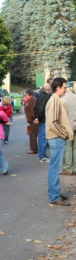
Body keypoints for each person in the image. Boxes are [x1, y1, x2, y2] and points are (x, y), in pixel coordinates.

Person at [46, 77, 73, 206]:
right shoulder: (55, 100)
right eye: (64, 87)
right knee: (55, 169)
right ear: (58, 88)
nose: (65, 89)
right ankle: (54, 196)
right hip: (56, 139)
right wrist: (64, 134)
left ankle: (55, 193)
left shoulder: (56, 100)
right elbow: (52, 122)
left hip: (56, 138)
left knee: (55, 168)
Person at [34, 83, 51, 163]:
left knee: (42, 138)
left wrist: (36, 117)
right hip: (44, 120)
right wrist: (38, 117)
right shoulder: (46, 97)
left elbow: (36, 107)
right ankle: (42, 156)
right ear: (48, 89)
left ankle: (42, 155)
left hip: (41, 119)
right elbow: (42, 109)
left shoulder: (40, 96)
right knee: (43, 138)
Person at [61, 83, 76, 176]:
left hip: (68, 126)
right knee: (75, 147)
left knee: (68, 147)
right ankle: (75, 167)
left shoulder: (63, 99)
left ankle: (67, 168)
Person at [24, 89, 39, 154]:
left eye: (26, 94)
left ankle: (33, 149)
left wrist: (32, 117)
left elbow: (33, 109)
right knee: (32, 134)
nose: (25, 95)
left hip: (33, 120)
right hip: (31, 120)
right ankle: (33, 149)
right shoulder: (30, 99)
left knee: (33, 134)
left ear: (28, 93)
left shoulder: (32, 99)